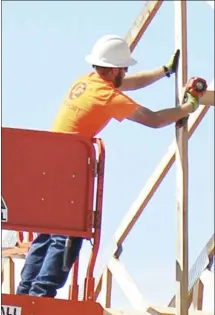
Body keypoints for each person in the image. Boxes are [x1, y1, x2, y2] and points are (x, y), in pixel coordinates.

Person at [16, 35, 201, 298]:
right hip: (68, 170)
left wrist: (164, 71)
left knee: (46, 234)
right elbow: (154, 119)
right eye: (124, 68)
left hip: (49, 166)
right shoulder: (105, 95)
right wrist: (188, 107)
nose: (126, 73)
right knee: (67, 236)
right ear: (113, 69)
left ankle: (24, 297)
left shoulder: (86, 81)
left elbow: (129, 83)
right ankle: (40, 298)